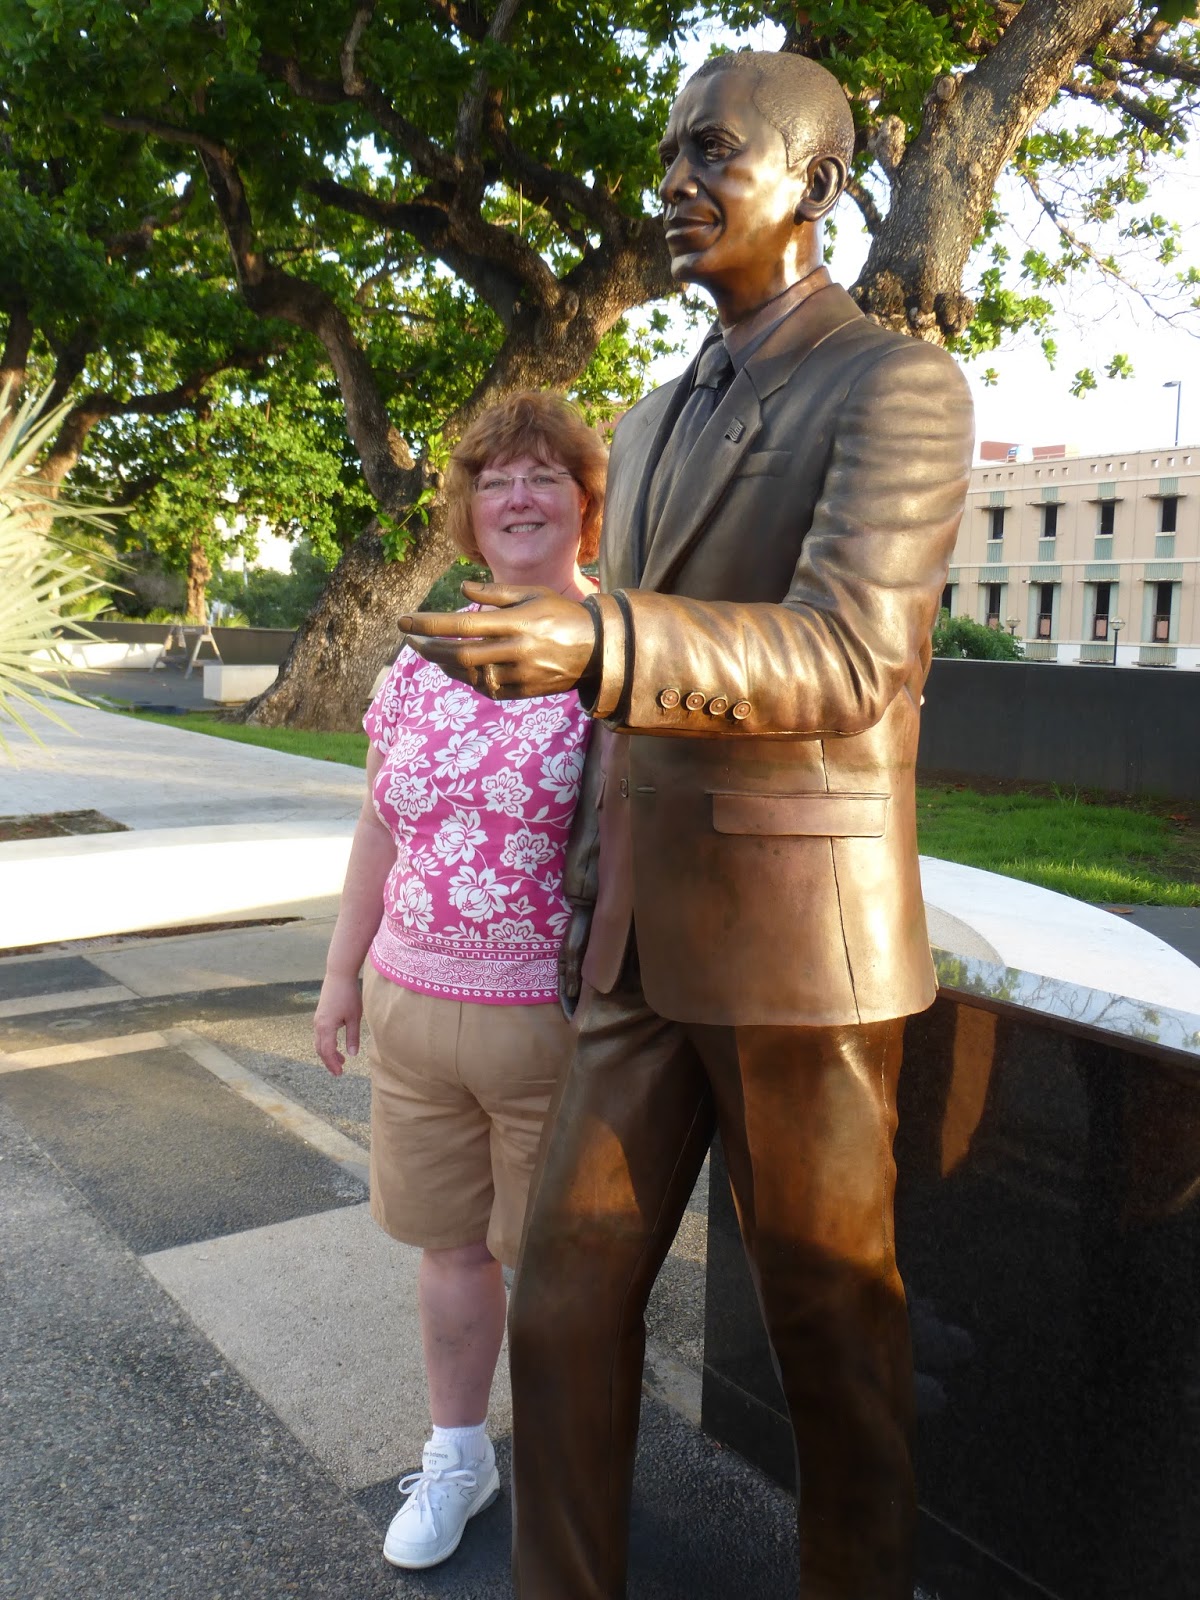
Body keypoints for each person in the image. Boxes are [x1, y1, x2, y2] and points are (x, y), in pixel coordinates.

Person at [400, 50, 974, 1600]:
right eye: (667, 154)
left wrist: (600, 643)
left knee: (831, 1335)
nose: (672, 183)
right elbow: (626, 696)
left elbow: (856, 653)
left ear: (823, 188)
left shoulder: (898, 385)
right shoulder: (647, 422)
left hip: (805, 955)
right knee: (564, 1309)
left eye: (713, 151)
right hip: (636, 947)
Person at [313, 390, 605, 1573]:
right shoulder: (424, 657)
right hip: (413, 1011)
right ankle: (458, 1454)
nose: (519, 494)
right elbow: (382, 831)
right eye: (495, 477)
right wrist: (341, 980)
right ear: (467, 508)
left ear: (587, 500)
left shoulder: (619, 657)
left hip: (556, 1022)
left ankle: (574, 1469)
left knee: (563, 1271)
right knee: (448, 1252)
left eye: (544, 473)